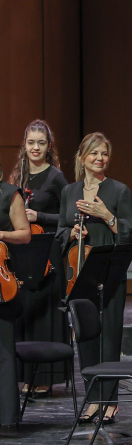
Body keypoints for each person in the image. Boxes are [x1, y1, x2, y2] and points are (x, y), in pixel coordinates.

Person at [56, 133, 132, 424]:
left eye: (104, 153)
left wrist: (107, 216)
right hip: (79, 273)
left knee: (109, 336)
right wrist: (72, 234)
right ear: (82, 158)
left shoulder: (119, 191)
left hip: (109, 271)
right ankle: (92, 399)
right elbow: (60, 233)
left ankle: (110, 401)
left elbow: (129, 233)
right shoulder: (70, 192)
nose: (100, 158)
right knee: (86, 337)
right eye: (94, 153)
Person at [9, 120, 69, 397]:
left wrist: (39, 216)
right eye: (31, 142)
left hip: (47, 254)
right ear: (25, 145)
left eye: (41, 143)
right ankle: (24, 375)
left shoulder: (56, 177)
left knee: (44, 314)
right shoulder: (18, 176)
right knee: (25, 312)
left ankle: (44, 378)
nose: (35, 147)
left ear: (48, 146)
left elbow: (68, 217)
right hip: (22, 253)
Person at [0, 161, 32, 428]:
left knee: (3, 350)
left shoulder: (9, 193)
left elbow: (24, 234)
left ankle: (6, 417)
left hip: (1, 284)